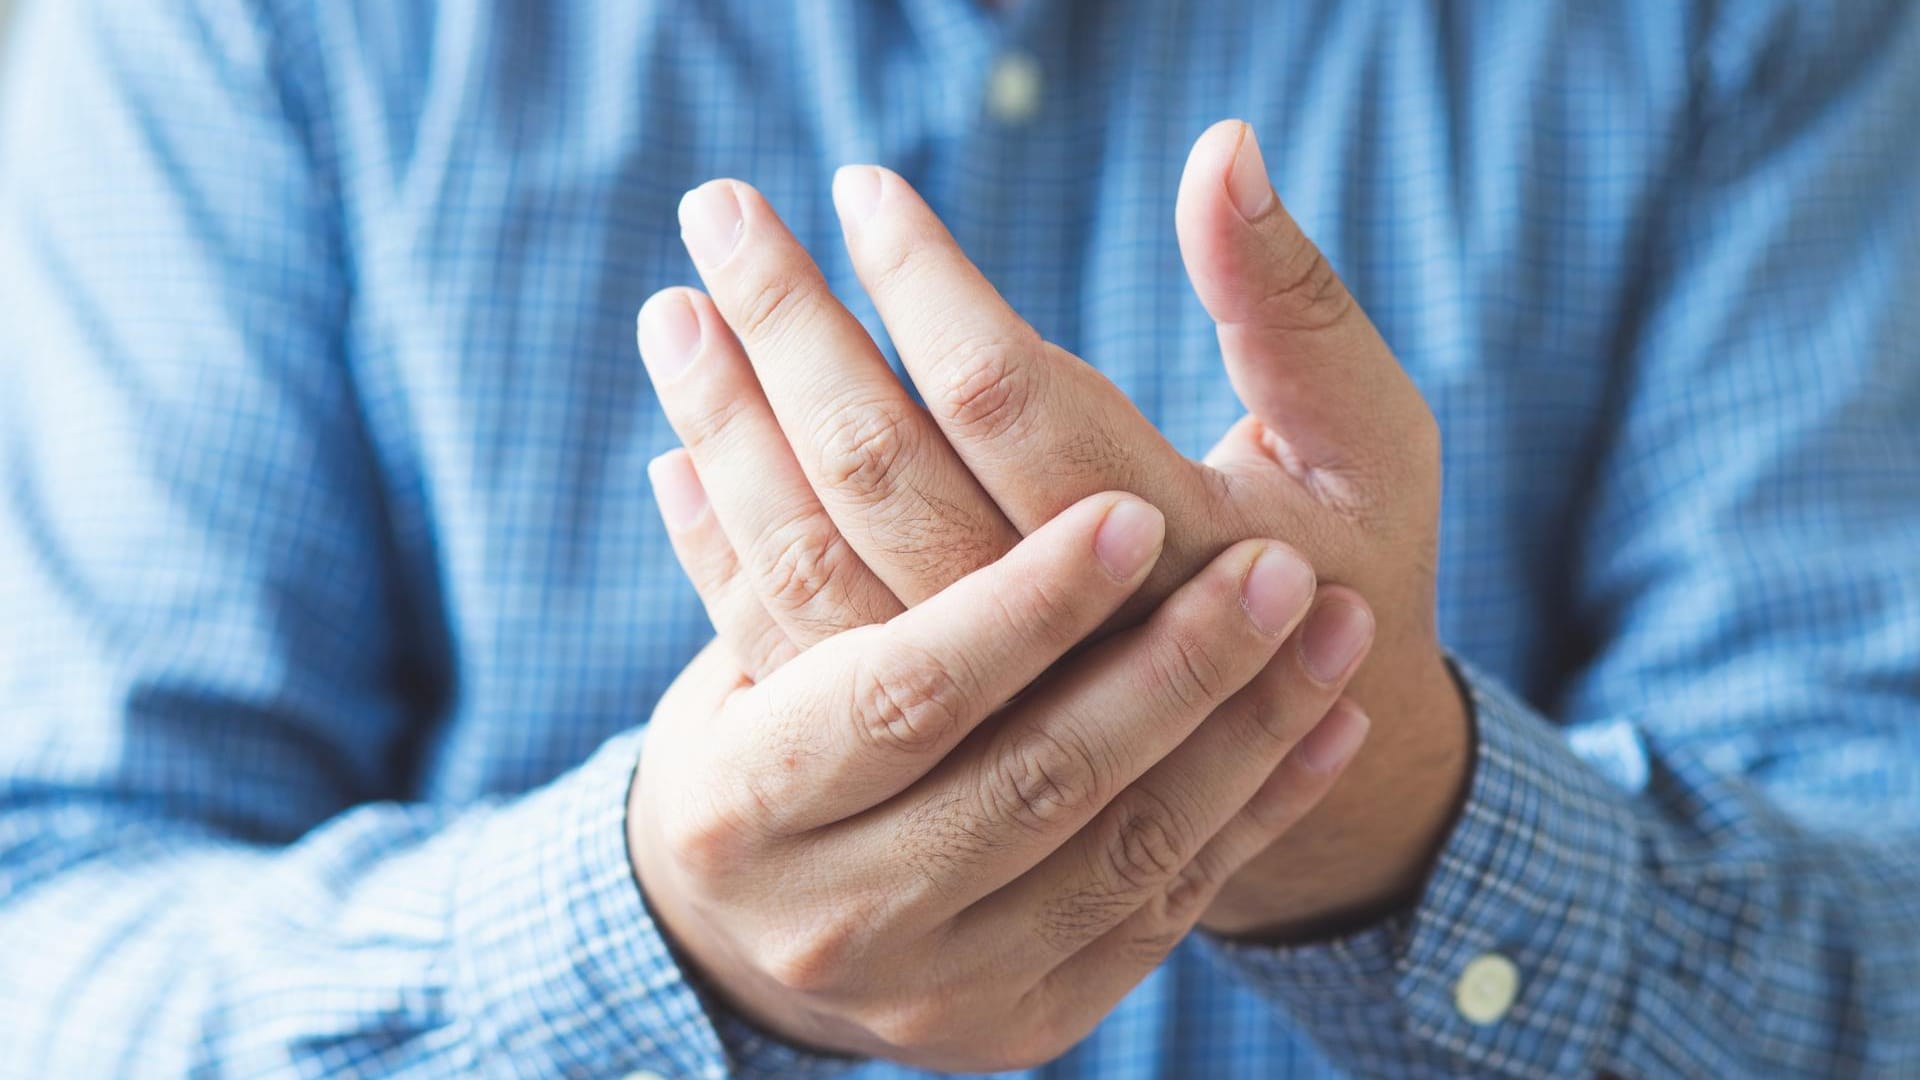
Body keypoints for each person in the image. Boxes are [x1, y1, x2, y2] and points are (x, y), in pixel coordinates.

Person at [1, 1, 1916, 1076]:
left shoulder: (1749, 41)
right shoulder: (238, 38)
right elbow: (51, 926)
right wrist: (649, 937)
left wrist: (1388, 818)